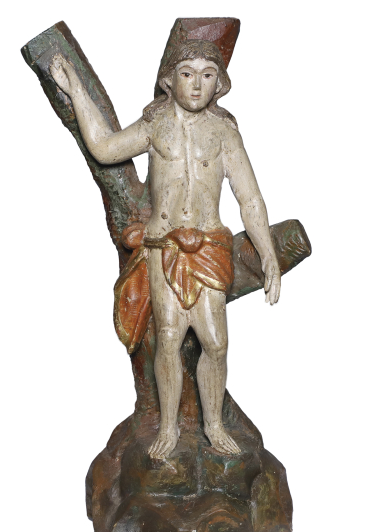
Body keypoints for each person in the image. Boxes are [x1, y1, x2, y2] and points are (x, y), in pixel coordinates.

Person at [50, 40, 281, 459]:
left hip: (209, 245)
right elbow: (104, 147)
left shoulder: (224, 132)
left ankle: (213, 425)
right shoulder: (155, 124)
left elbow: (249, 198)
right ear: (169, 81)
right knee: (169, 338)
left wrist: (268, 254)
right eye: (187, 74)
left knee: (216, 343)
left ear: (220, 84)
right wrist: (76, 91)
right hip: (164, 244)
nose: (196, 85)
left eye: (207, 75)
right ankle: (169, 427)